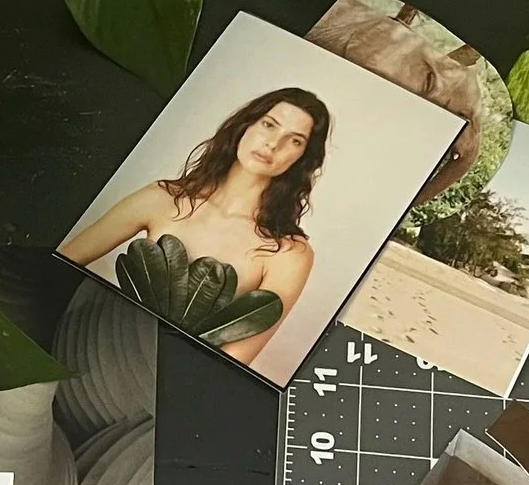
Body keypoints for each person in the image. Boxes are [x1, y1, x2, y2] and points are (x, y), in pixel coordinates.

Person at [58, 88, 330, 365]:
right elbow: (59, 264)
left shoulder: (287, 253)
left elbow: (231, 363)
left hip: (163, 381)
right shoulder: (162, 199)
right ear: (246, 125)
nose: (273, 144)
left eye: (294, 141)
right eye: (269, 125)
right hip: (86, 346)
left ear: (303, 158)